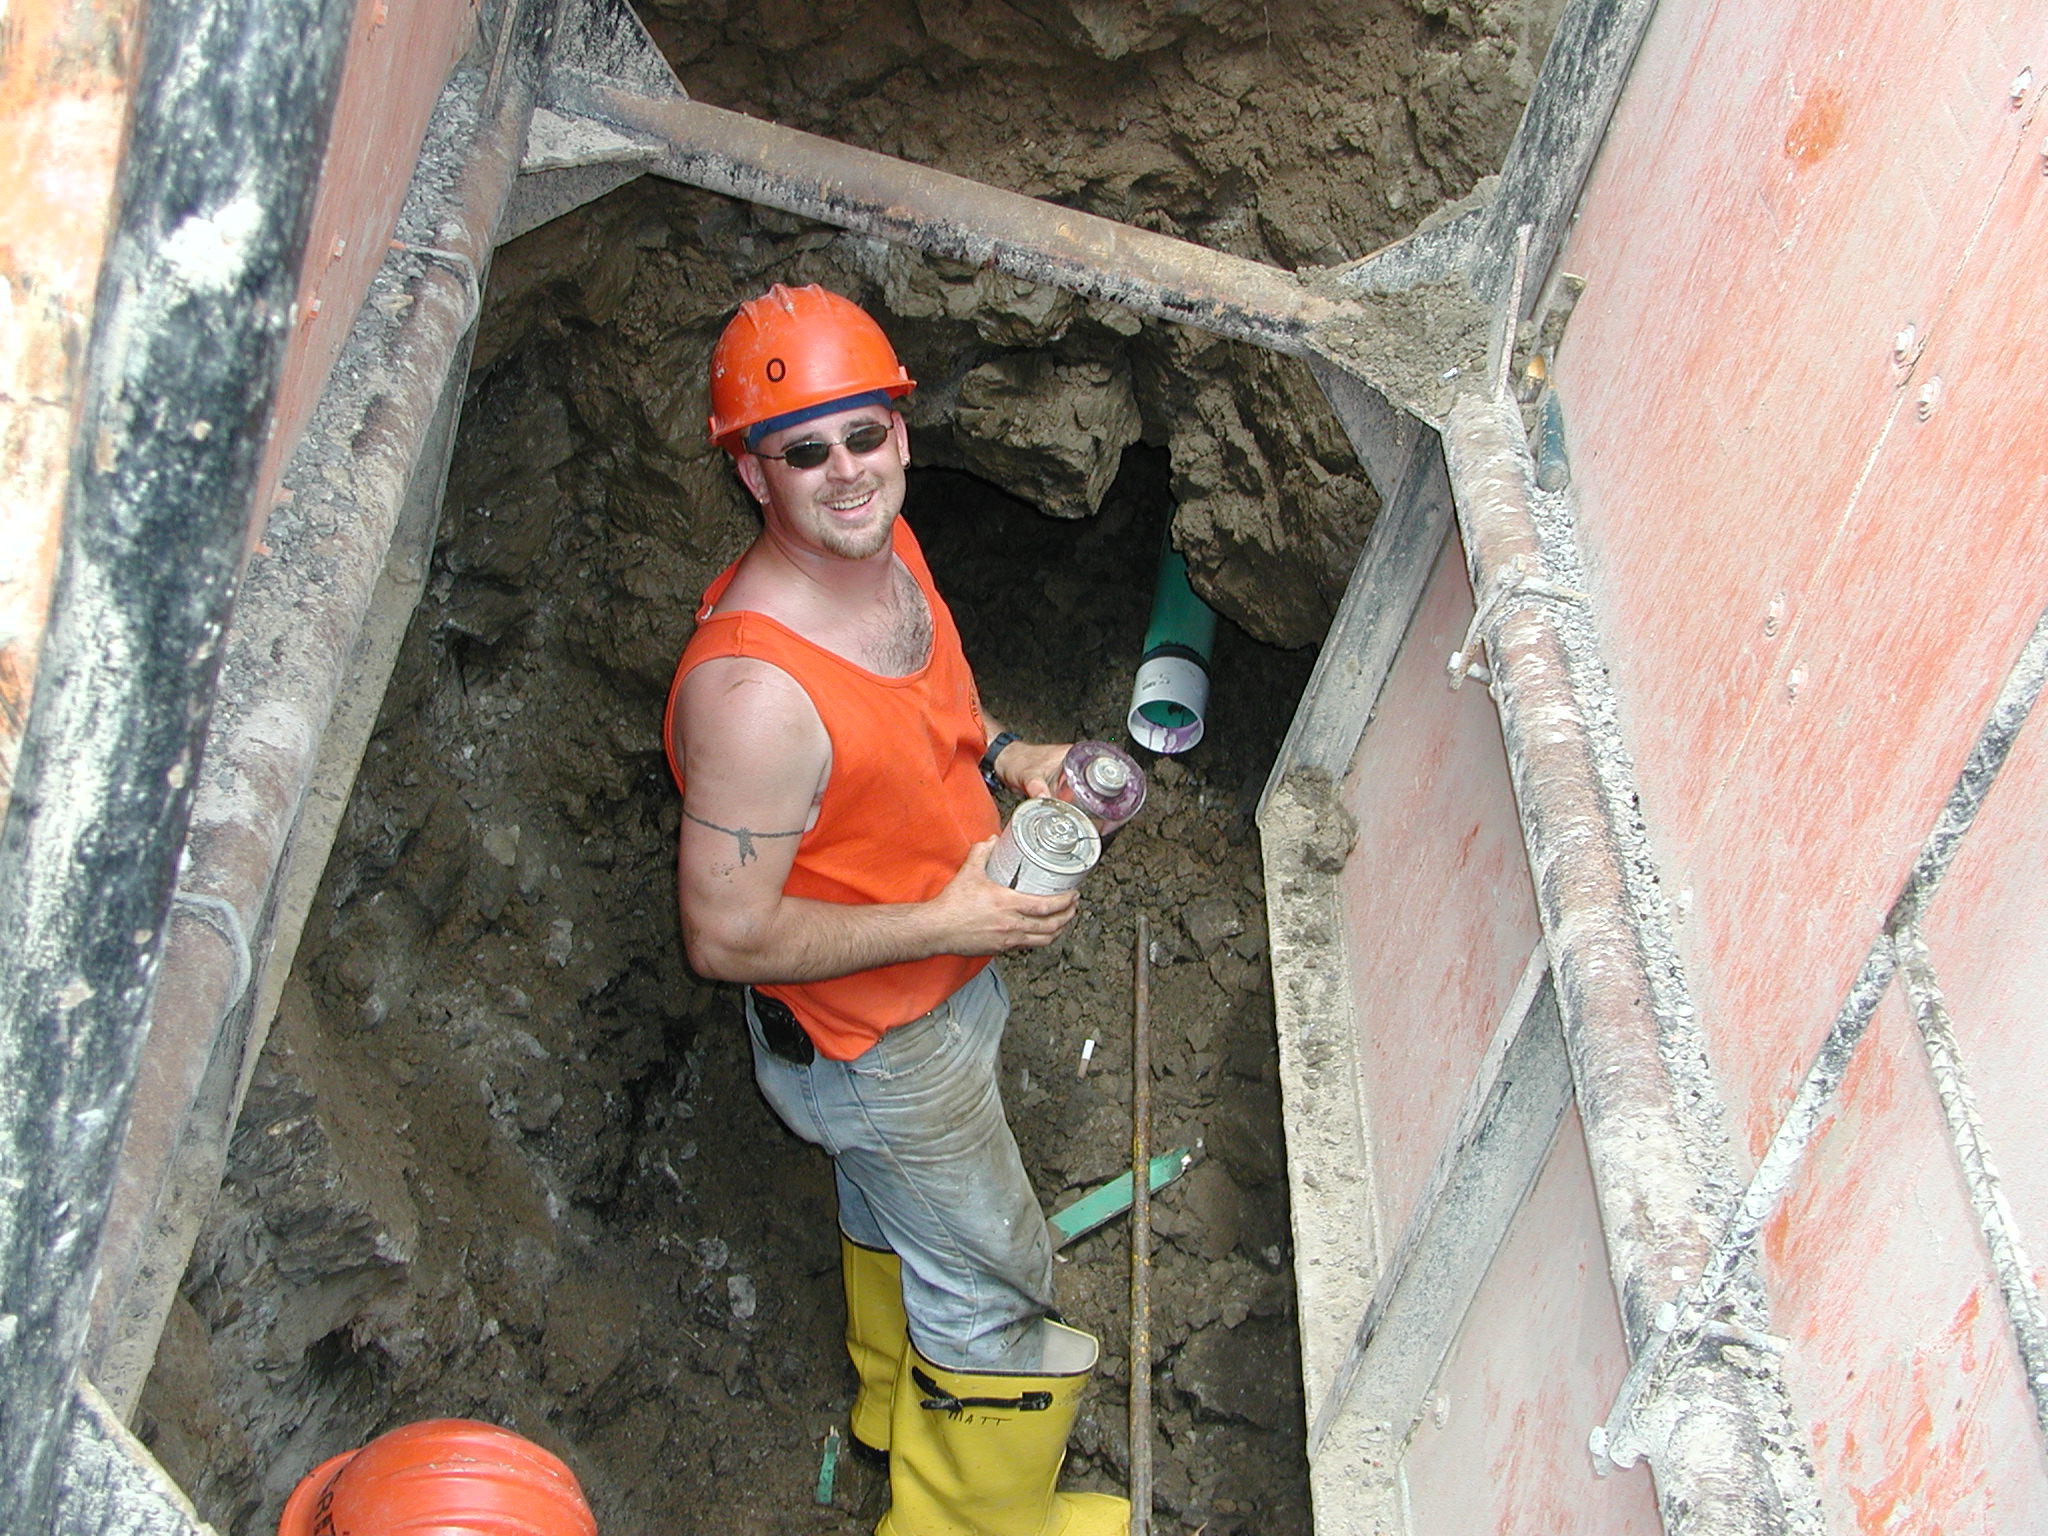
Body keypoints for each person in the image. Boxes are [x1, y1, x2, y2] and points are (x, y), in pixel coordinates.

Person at [663, 283, 1129, 1536]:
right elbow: (725, 936)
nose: (846, 471)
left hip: (927, 996)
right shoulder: (757, 695)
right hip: (877, 1043)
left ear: (901, 433)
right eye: (803, 452)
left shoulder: (887, 552)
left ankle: (889, 1414)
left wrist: (1010, 756)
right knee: (995, 1282)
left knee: (892, 1212)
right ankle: (972, 1526)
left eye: (863, 434)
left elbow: (933, 730)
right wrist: (948, 924)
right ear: (754, 477)